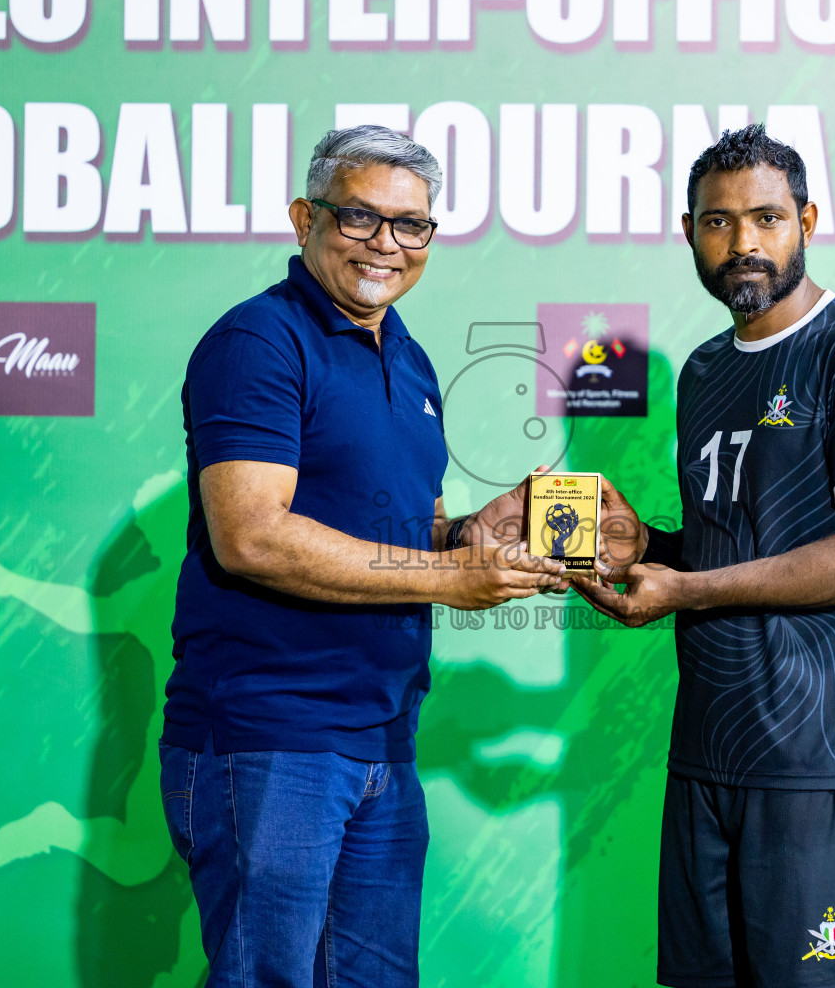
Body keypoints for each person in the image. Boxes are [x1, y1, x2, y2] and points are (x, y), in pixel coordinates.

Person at [160, 124, 566, 988]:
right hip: (269, 736)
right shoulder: (258, 343)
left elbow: (405, 534)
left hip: (383, 739)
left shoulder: (411, 361)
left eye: (411, 225)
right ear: (306, 218)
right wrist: (450, 577)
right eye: (359, 218)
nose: (387, 243)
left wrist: (476, 532)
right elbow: (252, 537)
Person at [575, 124, 835, 988]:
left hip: (818, 760)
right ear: (689, 232)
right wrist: (648, 546)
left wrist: (686, 583)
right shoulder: (703, 372)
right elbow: (746, 541)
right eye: (719, 223)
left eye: (767, 219)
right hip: (707, 753)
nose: (744, 244)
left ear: (806, 219)